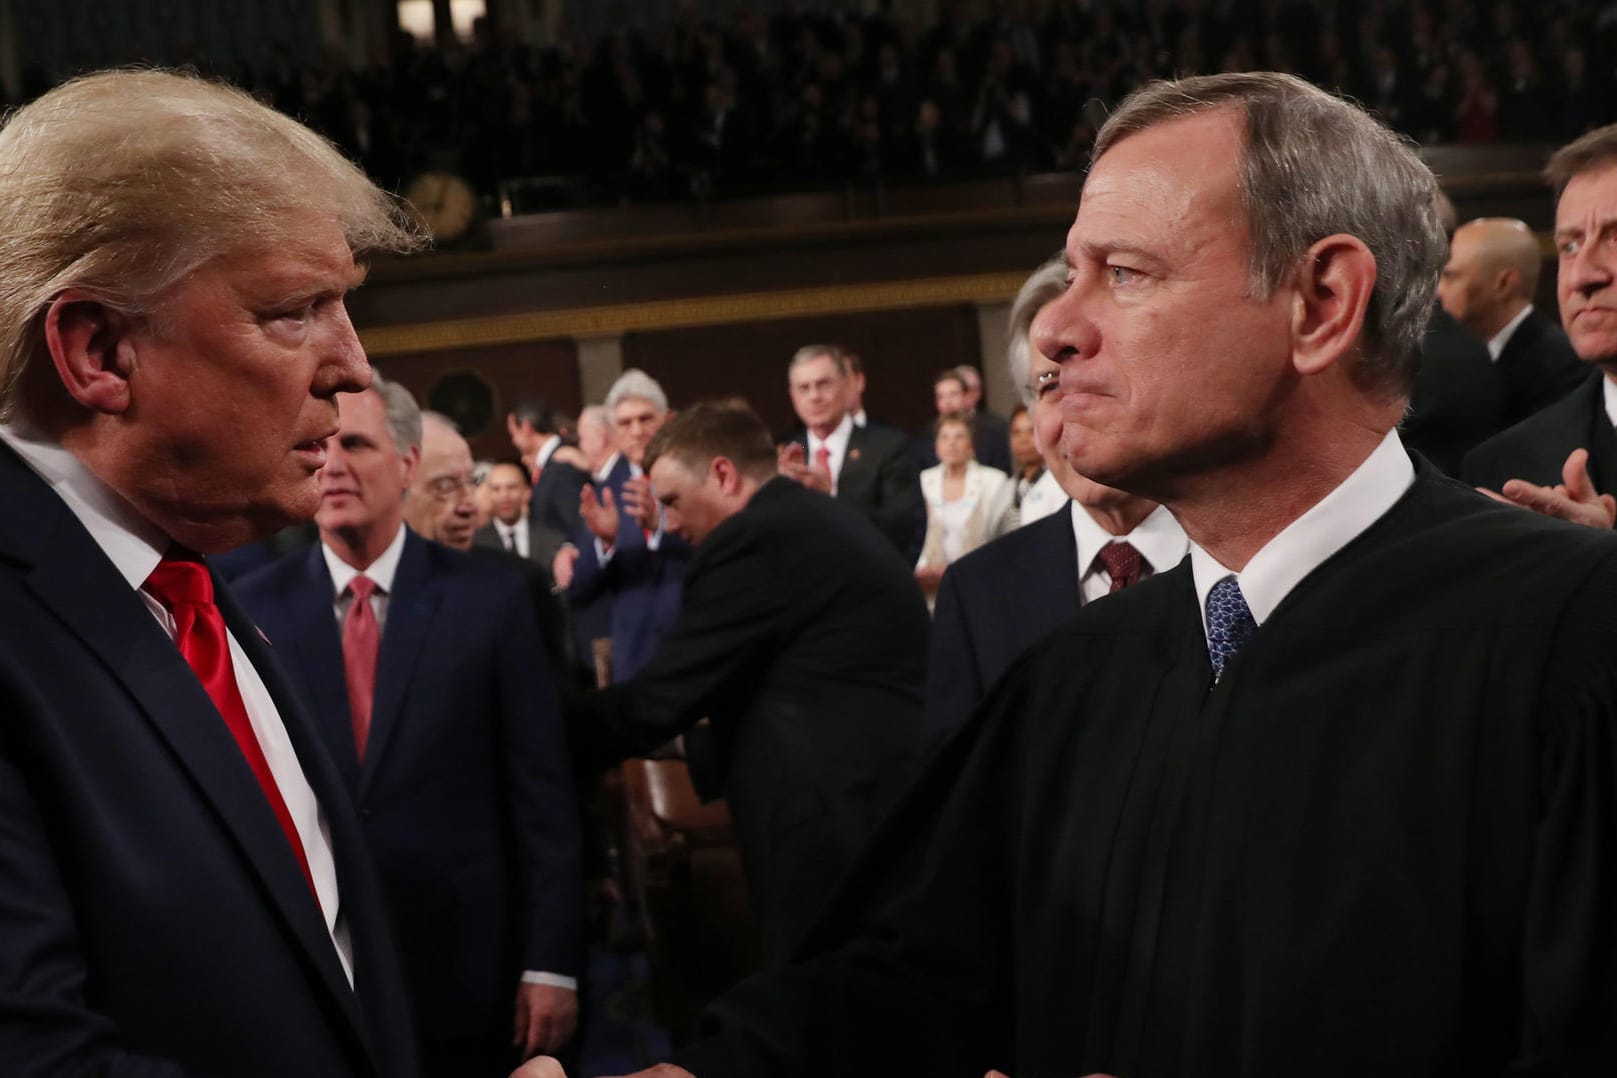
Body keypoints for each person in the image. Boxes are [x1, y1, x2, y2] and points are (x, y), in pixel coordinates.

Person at [529, 71, 1617, 1078]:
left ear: (1321, 302)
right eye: (1071, 271)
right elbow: (907, 977)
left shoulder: (1572, 639)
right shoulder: (1074, 676)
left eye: (1125, 273)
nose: (1052, 326)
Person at [0, 69, 424, 1076]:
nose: (355, 367)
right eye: (295, 310)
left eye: (345, 306)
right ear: (99, 349)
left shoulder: (185, 581)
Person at [236, 377, 583, 1078]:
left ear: (406, 463)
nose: (331, 464)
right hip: (328, 972)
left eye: (355, 443)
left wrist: (551, 962)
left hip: (472, 967)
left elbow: (543, 796)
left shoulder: (495, 598)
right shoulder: (248, 610)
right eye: (316, 446)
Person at [564, 401, 929, 967]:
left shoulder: (756, 538)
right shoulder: (810, 516)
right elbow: (806, 686)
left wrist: (538, 737)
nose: (673, 523)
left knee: (827, 1016)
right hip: (876, 814)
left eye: (673, 502)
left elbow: (662, 699)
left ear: (723, 475)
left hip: (836, 832)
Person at [927, 257, 1186, 744]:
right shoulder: (977, 593)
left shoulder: (1245, 559)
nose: (1075, 411)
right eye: (1050, 385)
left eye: (1097, 377)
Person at [1461, 125, 1617, 529]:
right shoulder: (1501, 471)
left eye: (1616, 238)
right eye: (1569, 246)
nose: (1582, 276)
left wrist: (1596, 565)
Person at [565, 369, 690, 681]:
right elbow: (579, 589)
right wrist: (605, 542)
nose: (637, 431)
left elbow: (717, 551)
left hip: (696, 640)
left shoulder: (697, 478)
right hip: (637, 657)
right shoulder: (604, 493)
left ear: (668, 420)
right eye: (625, 422)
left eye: (646, 418)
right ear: (614, 432)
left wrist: (661, 525)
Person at [1438, 216, 1588, 426]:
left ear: (1503, 283)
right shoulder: (1457, 354)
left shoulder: (1560, 365)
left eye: (1450, 276)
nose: (1438, 291)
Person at [780, 344, 923, 556]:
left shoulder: (889, 447)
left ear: (847, 386)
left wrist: (831, 498)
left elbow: (902, 530)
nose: (814, 396)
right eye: (803, 388)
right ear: (792, 397)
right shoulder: (787, 452)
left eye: (823, 384)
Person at [913, 411, 1016, 602]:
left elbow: (1003, 537)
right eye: (945, 437)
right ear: (936, 446)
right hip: (932, 588)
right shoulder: (923, 481)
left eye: (959, 436)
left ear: (971, 445)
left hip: (980, 582)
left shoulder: (994, 481)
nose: (952, 443)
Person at [1006, 403, 1044, 505]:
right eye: (1016, 433)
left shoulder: (1058, 485)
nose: (1023, 440)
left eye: (1031, 431)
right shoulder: (1006, 488)